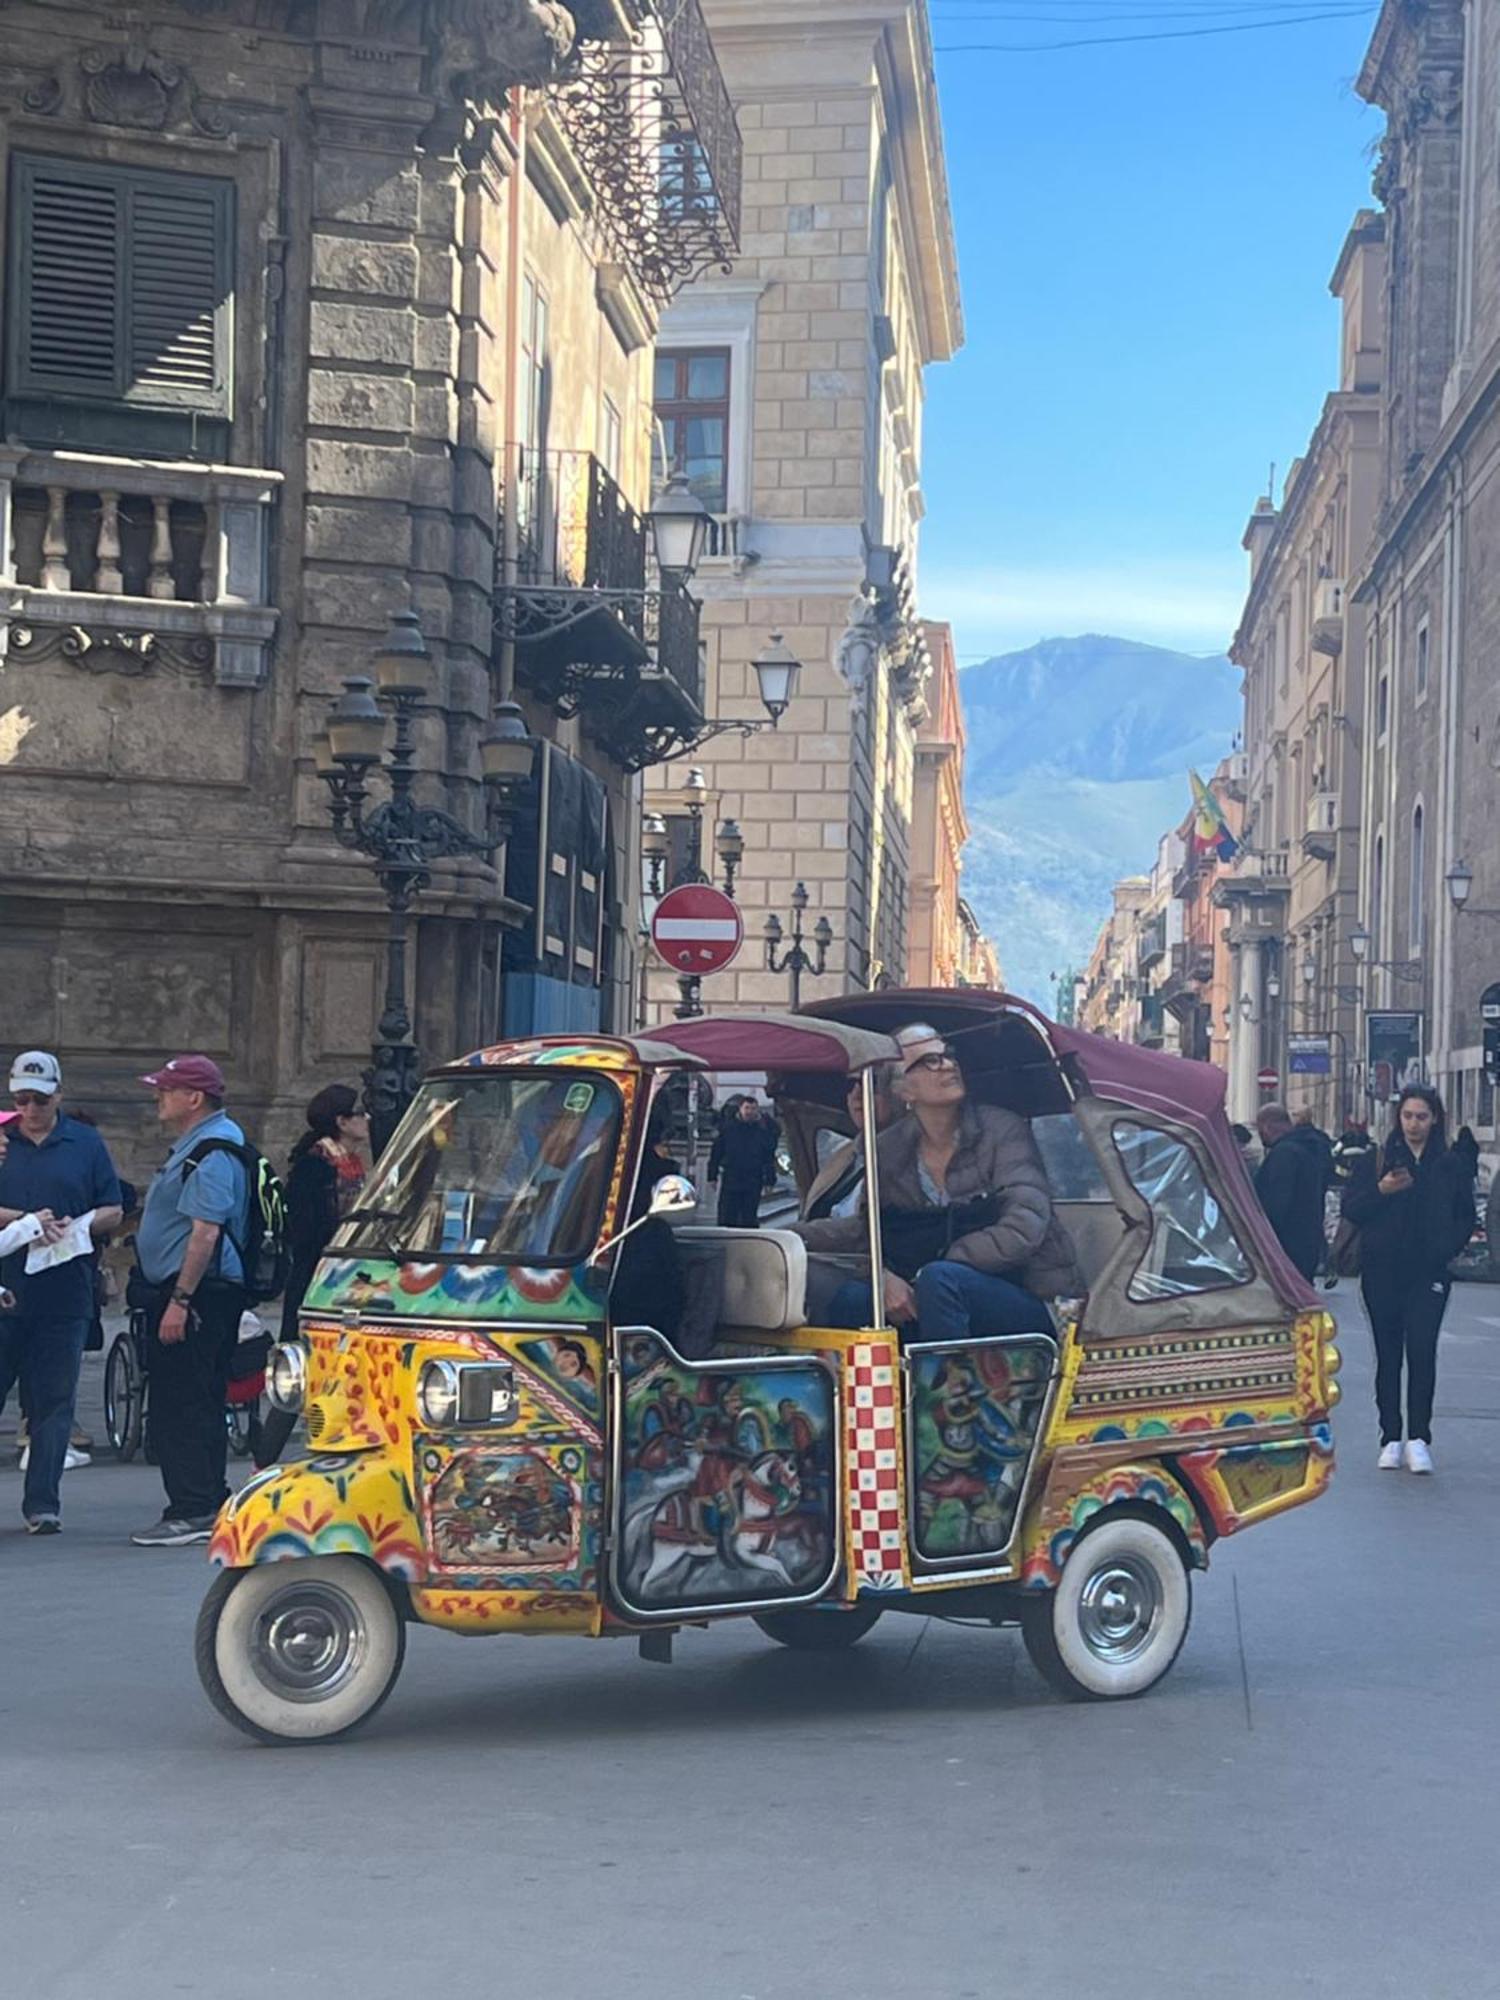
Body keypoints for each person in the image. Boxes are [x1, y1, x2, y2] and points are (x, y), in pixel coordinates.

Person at [797, 1023, 1079, 1343]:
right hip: (935, 1296)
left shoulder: (1002, 1129)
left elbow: (1025, 1224)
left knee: (941, 1281)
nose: (947, 1064)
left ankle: (947, 1392)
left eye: (948, 1055)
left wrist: (929, 1270)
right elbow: (869, 1231)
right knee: (853, 1300)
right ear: (904, 1090)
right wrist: (795, 1238)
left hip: (1021, 1293)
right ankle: (869, 1390)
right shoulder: (888, 1151)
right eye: (929, 1061)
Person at [129, 1055, 251, 1547]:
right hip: (188, 1293)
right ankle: (200, 1501)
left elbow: (205, 1233)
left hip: (197, 1297)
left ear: (194, 1098)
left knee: (184, 1403)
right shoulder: (198, 1146)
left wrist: (180, 1298)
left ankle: (195, 1507)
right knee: (188, 1398)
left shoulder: (213, 1151)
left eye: (166, 1089)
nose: (158, 1096)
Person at [0, 1054, 123, 1533]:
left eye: (39, 1099)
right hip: (8, 1285)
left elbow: (112, 1206)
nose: (29, 1108)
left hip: (64, 1290)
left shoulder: (85, 1143)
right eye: (20, 1099)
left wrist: (81, 1225)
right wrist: (25, 1221)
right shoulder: (3, 1141)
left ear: (58, 1097)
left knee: (53, 1402)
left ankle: (42, 1505)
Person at [1343, 1084, 1475, 1473]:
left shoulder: (1449, 1164)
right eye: (1407, 1116)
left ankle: (1419, 1437)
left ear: (1435, 1119)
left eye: (1421, 1116)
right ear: (1398, 1118)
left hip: (1429, 1272)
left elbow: (1465, 1215)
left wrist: (1446, 1249)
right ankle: (1390, 1436)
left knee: (1421, 1349)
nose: (1414, 1124)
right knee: (1388, 1355)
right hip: (1382, 1271)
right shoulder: (1377, 1159)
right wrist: (1381, 1190)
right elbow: (1353, 1207)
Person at [1253, 1102, 1325, 1282]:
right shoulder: (1309, 1148)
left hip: (1286, 1246)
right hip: (1306, 1241)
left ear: (1267, 1126)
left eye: (1259, 1128)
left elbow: (1276, 1204)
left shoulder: (1284, 1154)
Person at [706, 1095, 778, 1229]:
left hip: (753, 1179)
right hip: (731, 1177)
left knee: (749, 1216)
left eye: (753, 1108)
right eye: (747, 1108)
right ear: (740, 1109)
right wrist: (712, 1175)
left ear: (757, 1110)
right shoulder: (728, 1128)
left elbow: (768, 1157)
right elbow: (716, 1153)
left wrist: (770, 1180)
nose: (749, 1112)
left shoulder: (763, 1131)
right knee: (727, 1215)